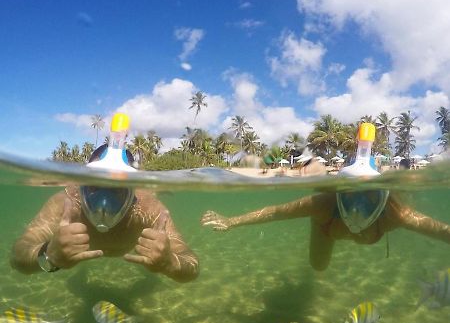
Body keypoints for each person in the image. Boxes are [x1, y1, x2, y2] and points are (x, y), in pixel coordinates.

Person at [201, 123, 450, 271]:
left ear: (384, 195)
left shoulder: (395, 213)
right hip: (326, 227)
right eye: (351, 195)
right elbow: (275, 212)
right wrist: (231, 221)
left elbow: (440, 230)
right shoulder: (323, 205)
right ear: (339, 191)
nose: (357, 209)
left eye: (369, 197)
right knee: (318, 266)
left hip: (341, 223)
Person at [11, 114, 199, 283]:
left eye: (116, 189)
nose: (103, 203)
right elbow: (19, 254)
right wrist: (48, 254)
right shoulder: (66, 203)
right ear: (81, 185)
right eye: (94, 186)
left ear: (132, 191)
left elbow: (191, 264)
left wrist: (169, 263)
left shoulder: (150, 209)